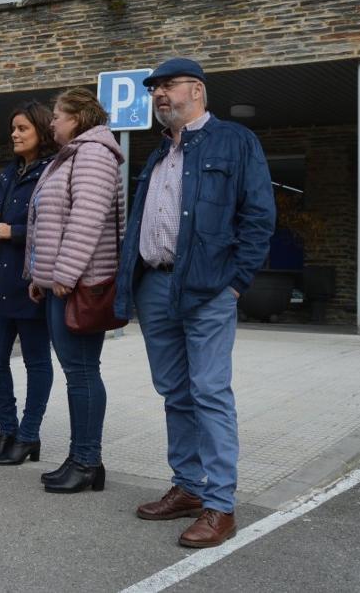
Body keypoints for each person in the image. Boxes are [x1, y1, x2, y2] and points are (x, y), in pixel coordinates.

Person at [115, 57, 274, 549]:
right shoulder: (160, 151)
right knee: (175, 393)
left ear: (198, 90)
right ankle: (187, 486)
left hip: (207, 290)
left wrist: (234, 283)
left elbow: (259, 218)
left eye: (169, 86)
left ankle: (220, 505)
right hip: (156, 287)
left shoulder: (235, 142)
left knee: (208, 392)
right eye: (155, 89)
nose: (160, 94)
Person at [25, 87, 123, 494]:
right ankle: (82, 457)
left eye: (58, 116)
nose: (52, 122)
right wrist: (40, 276)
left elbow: (87, 218)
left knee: (82, 372)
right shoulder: (71, 157)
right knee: (77, 373)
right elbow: (50, 223)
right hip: (62, 284)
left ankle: (87, 461)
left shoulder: (94, 154)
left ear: (79, 119)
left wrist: (63, 273)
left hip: (79, 284)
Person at [0, 101, 58, 466]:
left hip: (32, 283)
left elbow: (57, 225)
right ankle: (7, 430)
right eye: (13, 128)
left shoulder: (52, 171)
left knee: (37, 361)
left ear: (41, 131)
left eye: (22, 128)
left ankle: (29, 434)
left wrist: (14, 231)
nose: (14, 134)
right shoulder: (9, 173)